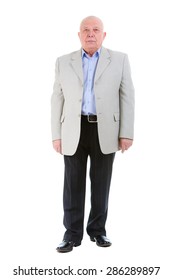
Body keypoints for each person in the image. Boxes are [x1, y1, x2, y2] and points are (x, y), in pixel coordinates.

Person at [51, 16, 135, 253]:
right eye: (85, 30)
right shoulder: (63, 61)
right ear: (78, 35)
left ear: (103, 35)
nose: (90, 33)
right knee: (72, 184)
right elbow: (56, 99)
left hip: (106, 129)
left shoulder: (119, 60)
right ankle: (72, 235)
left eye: (95, 29)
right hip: (73, 130)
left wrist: (126, 132)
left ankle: (98, 232)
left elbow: (127, 96)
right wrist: (56, 135)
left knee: (101, 184)